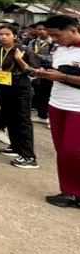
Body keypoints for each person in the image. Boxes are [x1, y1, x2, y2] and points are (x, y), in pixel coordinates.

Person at [34, 15, 80, 208]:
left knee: (73, 151)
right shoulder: (60, 50)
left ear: (73, 30)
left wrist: (62, 77)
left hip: (77, 108)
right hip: (57, 104)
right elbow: (59, 75)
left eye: (56, 35)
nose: (53, 38)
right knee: (62, 150)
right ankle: (69, 192)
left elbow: (63, 76)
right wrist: (47, 74)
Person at [0, 24, 40, 169]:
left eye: (7, 34)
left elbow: (34, 71)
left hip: (20, 87)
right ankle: (15, 147)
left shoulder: (23, 50)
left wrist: (20, 60)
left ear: (15, 36)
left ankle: (29, 156)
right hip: (2, 86)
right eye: (0, 34)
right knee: (9, 118)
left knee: (23, 120)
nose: (3, 36)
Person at [29, 22, 53, 125]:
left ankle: (50, 117)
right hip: (35, 69)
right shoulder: (33, 42)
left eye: (44, 29)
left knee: (49, 93)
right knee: (38, 92)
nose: (42, 31)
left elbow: (52, 57)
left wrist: (37, 56)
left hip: (49, 70)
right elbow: (28, 53)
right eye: (39, 29)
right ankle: (41, 115)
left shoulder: (53, 43)